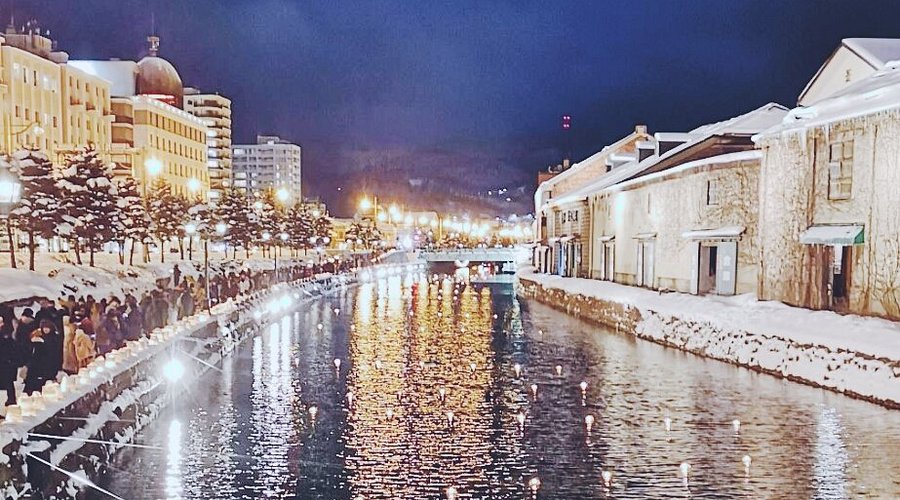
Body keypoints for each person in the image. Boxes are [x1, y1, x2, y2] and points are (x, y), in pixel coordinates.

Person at [24, 321, 56, 395]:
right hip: (37, 364)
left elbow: (54, 351)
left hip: (49, 363)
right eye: (44, 328)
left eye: (47, 328)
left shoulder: (53, 338)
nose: (46, 330)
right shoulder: (38, 338)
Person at [0, 318, 23, 408]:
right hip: (6, 362)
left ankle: (11, 399)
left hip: (5, 362)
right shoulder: (6, 333)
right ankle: (11, 399)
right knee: (8, 382)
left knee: (8, 382)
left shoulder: (6, 333)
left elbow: (11, 347)